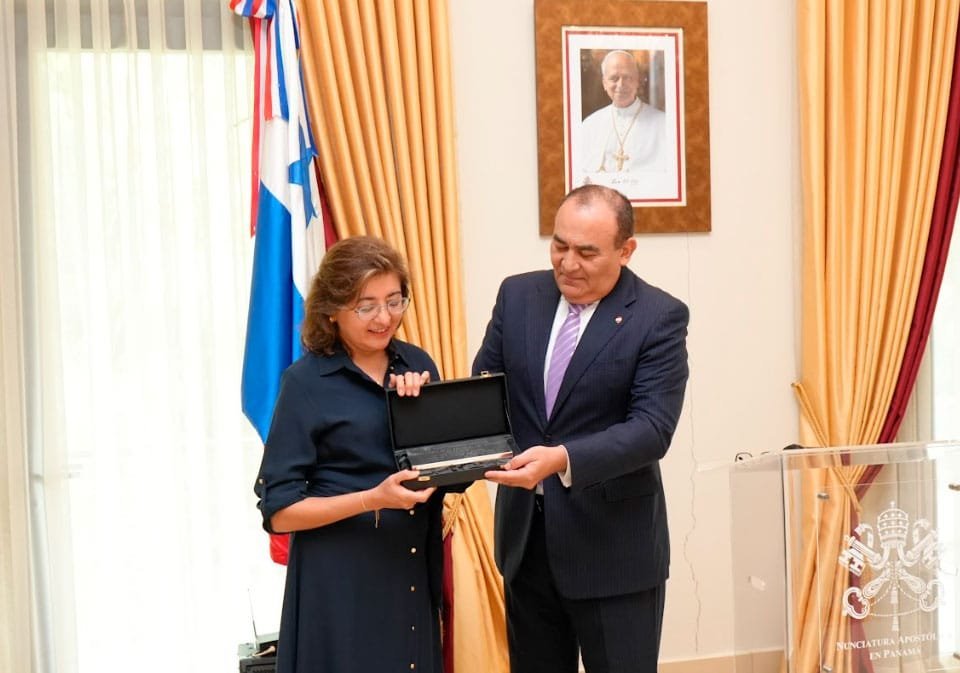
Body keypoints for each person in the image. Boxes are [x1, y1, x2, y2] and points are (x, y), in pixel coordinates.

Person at [474, 184, 689, 673]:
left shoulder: (659, 316)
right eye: (559, 245)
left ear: (625, 250)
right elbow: (487, 392)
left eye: (587, 252)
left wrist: (563, 459)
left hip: (613, 551)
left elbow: (652, 429)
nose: (568, 263)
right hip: (526, 543)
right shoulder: (518, 295)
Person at [254, 236, 445, 673]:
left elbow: (446, 473)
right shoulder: (304, 384)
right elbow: (280, 512)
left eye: (395, 301)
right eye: (367, 306)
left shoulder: (417, 365)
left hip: (409, 569)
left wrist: (424, 414)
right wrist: (371, 499)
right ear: (333, 311)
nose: (385, 318)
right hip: (339, 581)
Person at [578, 50, 669, 184]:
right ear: (604, 83)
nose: (621, 85)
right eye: (614, 78)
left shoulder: (664, 124)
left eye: (627, 77)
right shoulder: (589, 124)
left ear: (637, 81)